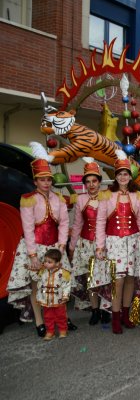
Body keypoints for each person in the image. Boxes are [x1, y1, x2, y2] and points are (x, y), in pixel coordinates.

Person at [7, 142, 71, 337]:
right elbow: (27, 228)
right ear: (35, 181)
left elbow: (64, 223)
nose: (46, 183)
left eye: (49, 179)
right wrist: (33, 255)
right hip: (35, 247)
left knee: (59, 283)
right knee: (38, 286)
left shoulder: (59, 198)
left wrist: (61, 246)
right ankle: (39, 321)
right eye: (42, 180)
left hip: (55, 248)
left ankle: (63, 318)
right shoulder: (28, 199)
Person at [95, 149, 140, 334]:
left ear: (130, 176)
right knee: (118, 281)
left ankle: (126, 315)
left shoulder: (137, 196)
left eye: (126, 174)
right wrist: (100, 246)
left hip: (133, 241)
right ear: (115, 176)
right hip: (114, 242)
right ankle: (115, 317)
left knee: (130, 279)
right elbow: (100, 222)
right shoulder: (106, 196)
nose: (123, 177)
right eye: (120, 174)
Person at [69, 157, 109, 325]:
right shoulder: (80, 199)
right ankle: (94, 310)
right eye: (88, 181)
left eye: (94, 181)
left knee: (106, 276)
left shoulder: (107, 197)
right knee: (90, 277)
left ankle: (105, 308)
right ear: (85, 183)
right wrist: (72, 247)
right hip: (85, 243)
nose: (91, 184)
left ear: (99, 182)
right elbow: (77, 224)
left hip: (104, 243)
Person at [37, 249, 72, 341]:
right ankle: (50, 331)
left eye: (49, 262)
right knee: (47, 316)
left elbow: (66, 285)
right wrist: (40, 294)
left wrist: (65, 296)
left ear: (57, 263)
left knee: (61, 315)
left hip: (59, 299)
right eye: (45, 261)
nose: (46, 264)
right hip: (46, 299)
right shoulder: (43, 272)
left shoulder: (63, 273)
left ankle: (63, 330)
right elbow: (39, 283)